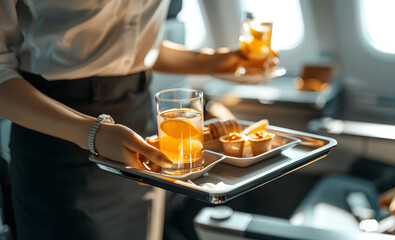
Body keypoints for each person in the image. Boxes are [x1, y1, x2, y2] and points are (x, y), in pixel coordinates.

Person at [0, 0, 276, 239]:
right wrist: (93, 132)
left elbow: (131, 50)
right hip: (56, 132)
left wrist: (214, 61)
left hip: (139, 125)